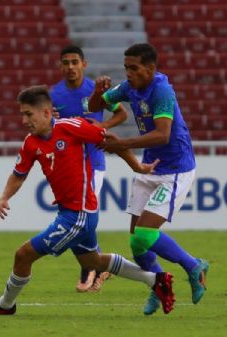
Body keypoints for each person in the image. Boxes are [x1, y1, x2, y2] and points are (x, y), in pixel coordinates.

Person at [0, 85, 175, 316]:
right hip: (70, 212)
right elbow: (19, 174)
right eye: (22, 115)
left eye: (29, 114)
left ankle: (5, 305)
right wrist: (4, 198)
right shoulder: (30, 142)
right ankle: (156, 280)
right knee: (94, 262)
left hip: (79, 214)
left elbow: (109, 138)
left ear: (47, 113)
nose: (24, 120)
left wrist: (136, 166)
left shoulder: (71, 128)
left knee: (23, 255)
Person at [87, 43, 210, 316]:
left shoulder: (162, 91)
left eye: (134, 68)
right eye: (126, 68)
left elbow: (163, 135)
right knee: (136, 242)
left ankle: (193, 265)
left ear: (150, 68)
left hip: (175, 168)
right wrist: (97, 93)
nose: (128, 73)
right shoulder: (129, 88)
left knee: (144, 234)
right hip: (150, 167)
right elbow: (94, 107)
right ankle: (158, 287)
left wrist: (123, 144)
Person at [50, 45, 128, 293]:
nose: (70, 67)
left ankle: (89, 265)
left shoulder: (96, 91)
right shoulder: (54, 95)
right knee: (77, 216)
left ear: (84, 64)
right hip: (67, 166)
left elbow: (122, 114)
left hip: (93, 163)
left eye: (75, 62)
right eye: (66, 62)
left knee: (80, 215)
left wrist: (102, 126)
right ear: (60, 66)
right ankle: (95, 262)